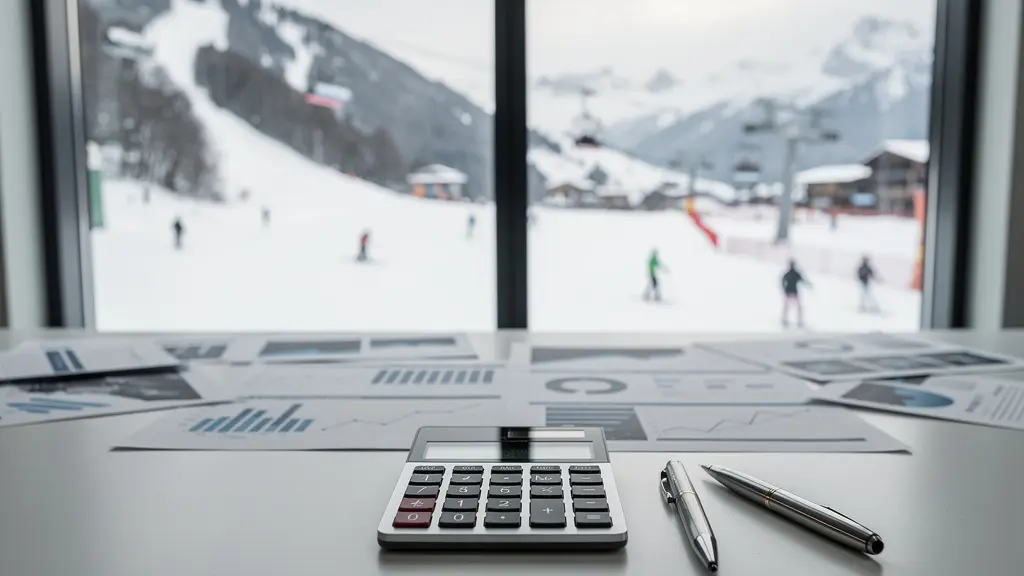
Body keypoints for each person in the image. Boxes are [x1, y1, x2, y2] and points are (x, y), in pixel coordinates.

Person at [781, 259, 810, 327]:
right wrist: (784, 289)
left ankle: (798, 321)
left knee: (796, 307)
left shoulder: (794, 273)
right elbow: (783, 281)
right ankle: (786, 320)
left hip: (793, 292)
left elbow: (803, 280)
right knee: (787, 307)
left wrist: (808, 285)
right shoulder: (789, 273)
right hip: (790, 292)